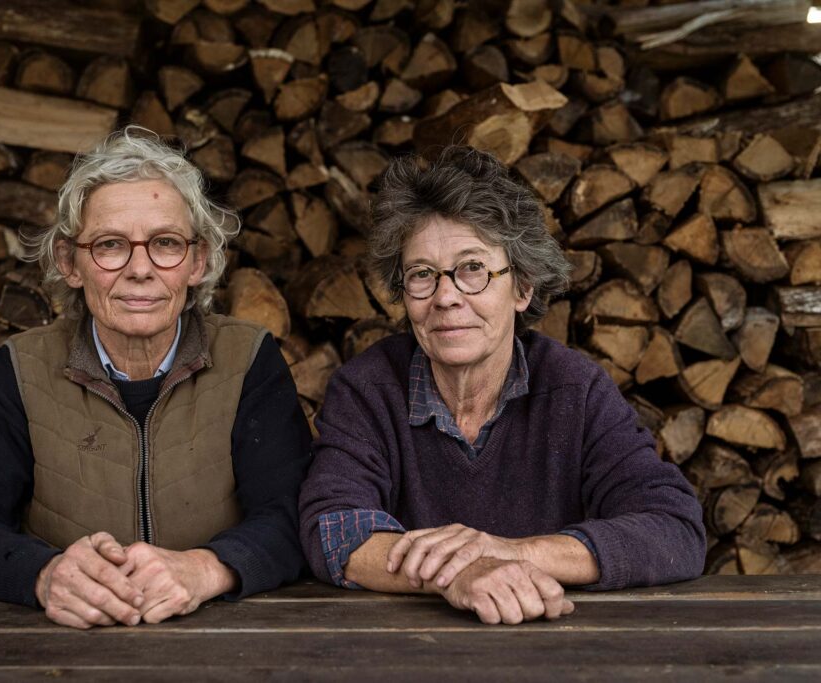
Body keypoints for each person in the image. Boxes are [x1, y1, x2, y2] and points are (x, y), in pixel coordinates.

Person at [0, 127, 311, 629]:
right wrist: (44, 574)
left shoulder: (248, 358)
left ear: (198, 261)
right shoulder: (22, 368)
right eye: (110, 245)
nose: (140, 268)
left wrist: (205, 569)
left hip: (222, 639)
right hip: (67, 641)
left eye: (165, 243)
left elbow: (295, 514)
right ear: (69, 262)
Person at [298, 146, 706, 625]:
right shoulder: (367, 389)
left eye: (473, 269)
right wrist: (457, 573)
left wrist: (510, 553)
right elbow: (333, 528)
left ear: (523, 287)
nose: (446, 296)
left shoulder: (575, 389)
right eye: (422, 275)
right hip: (406, 649)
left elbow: (674, 527)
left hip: (559, 644)